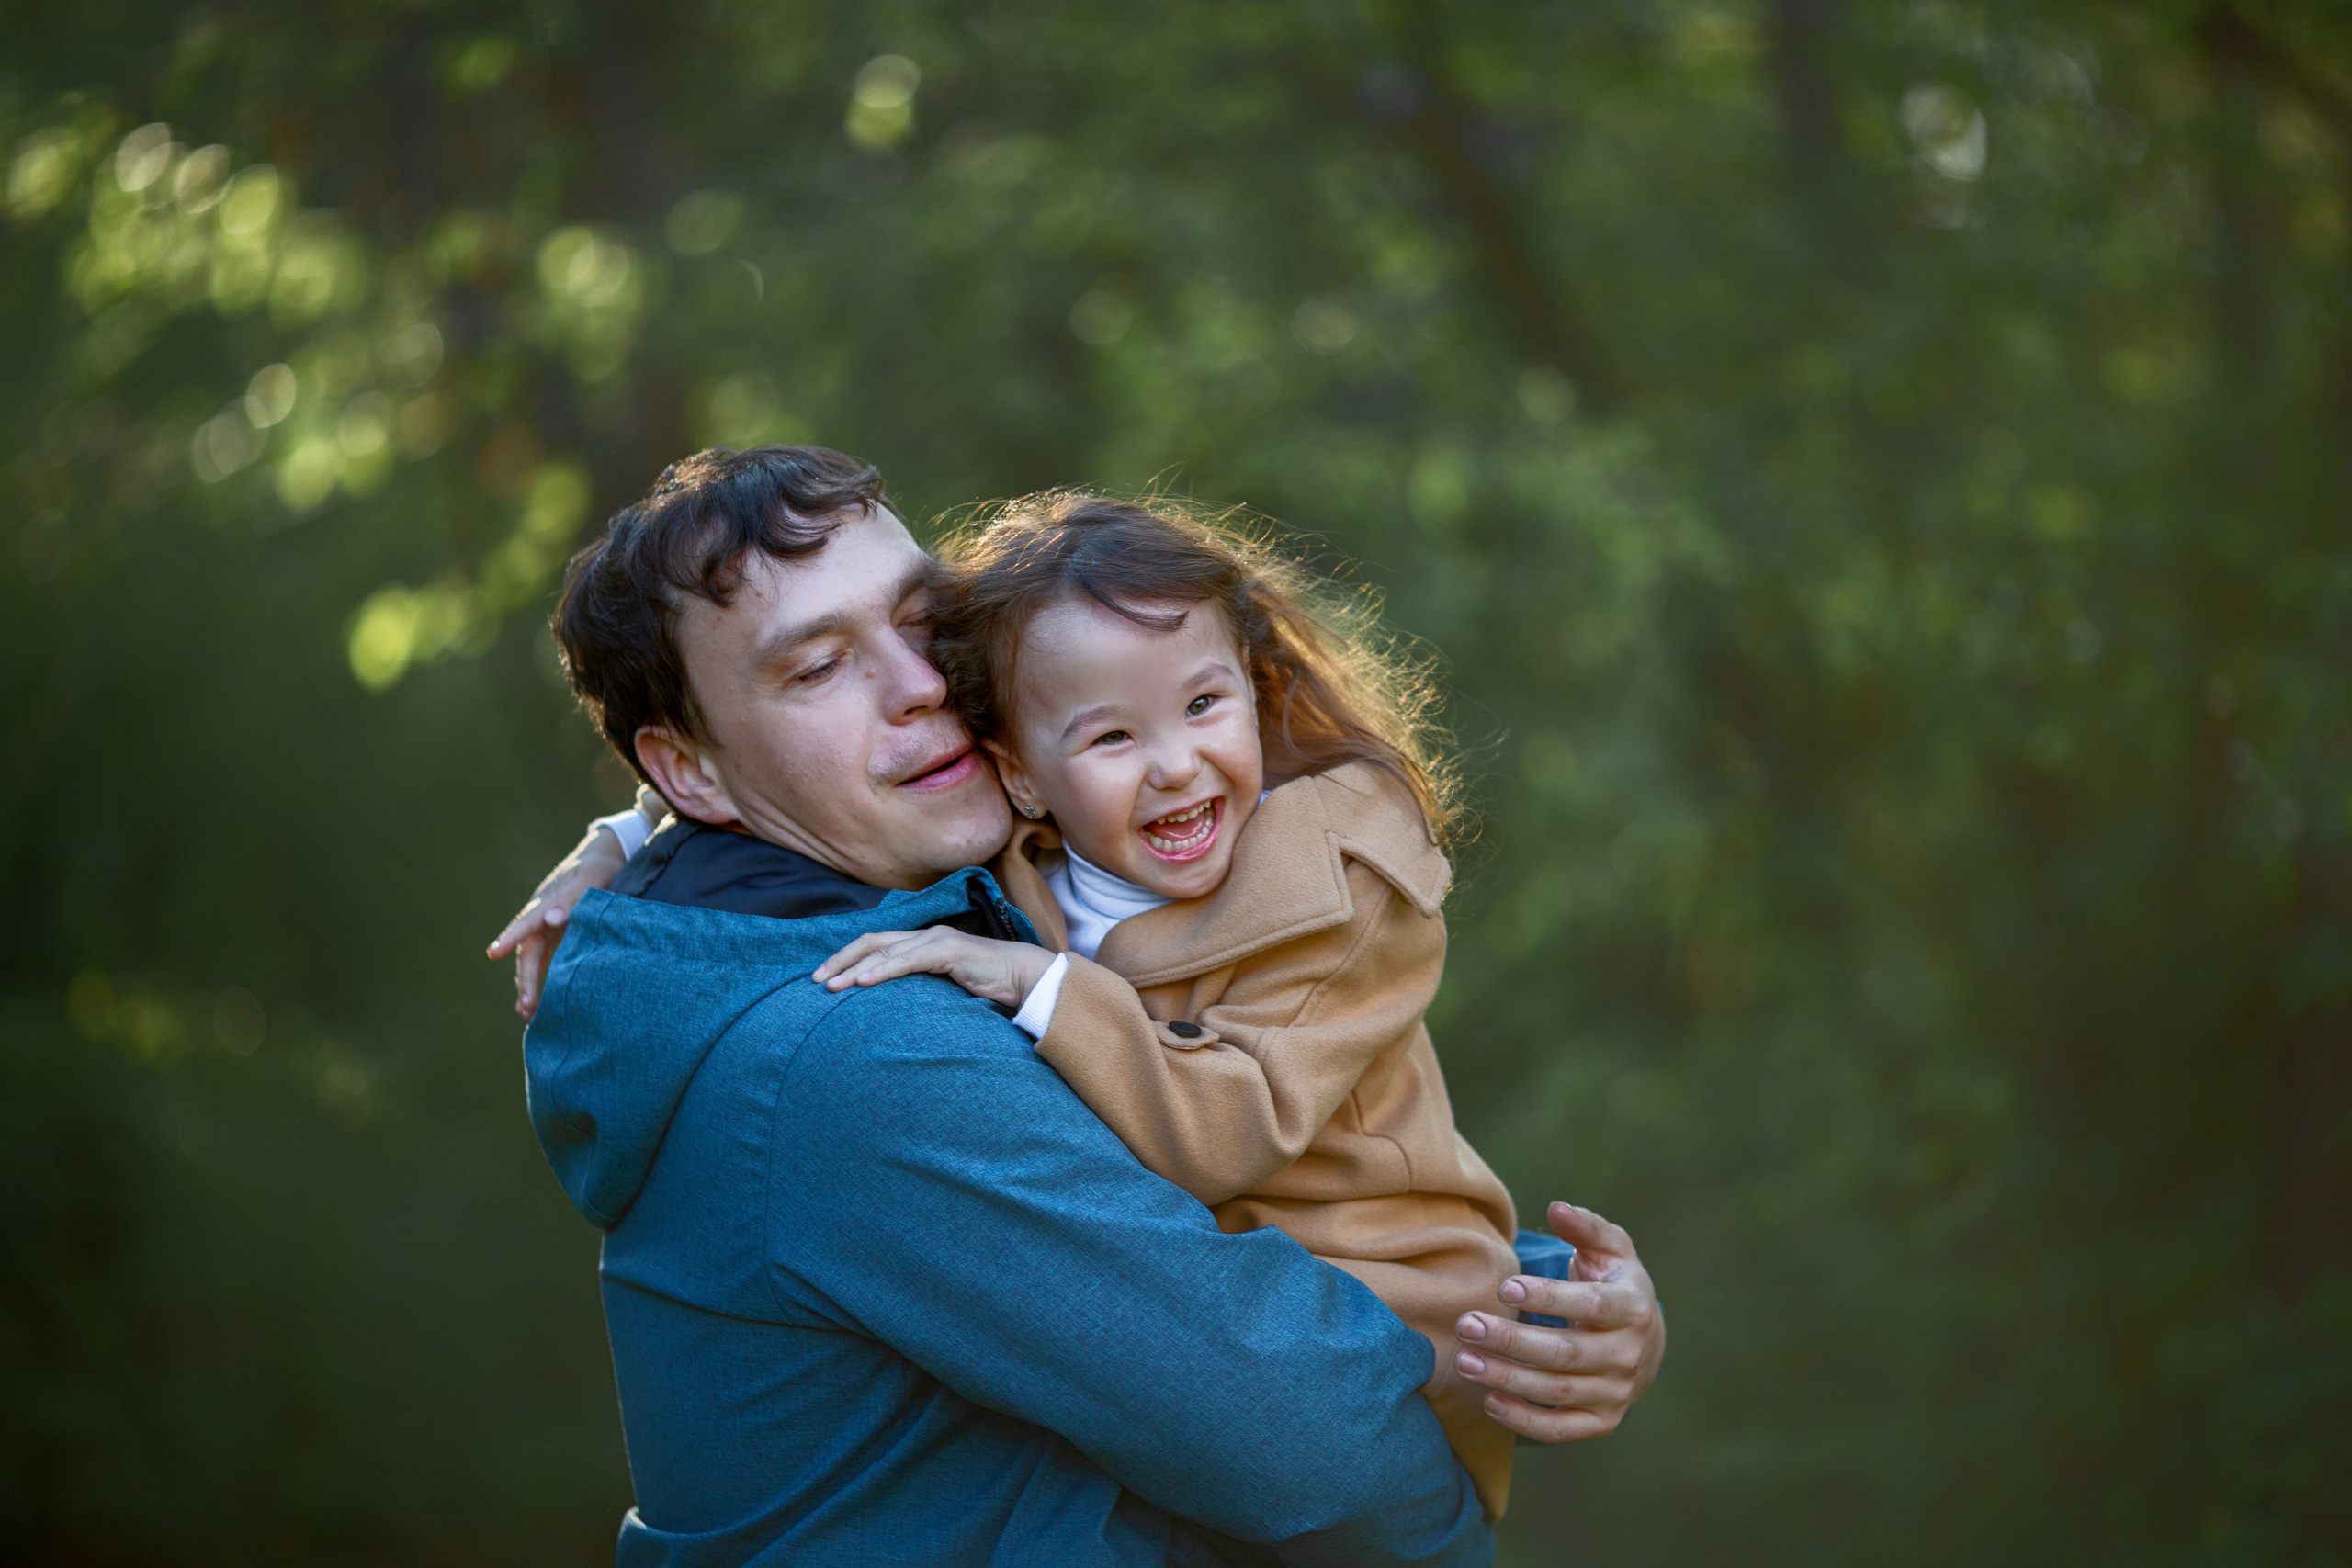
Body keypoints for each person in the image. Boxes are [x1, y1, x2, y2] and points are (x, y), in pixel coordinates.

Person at [491, 446, 1665, 1566]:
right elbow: (1323, 1452)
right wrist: (1448, 1521)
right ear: (688, 770)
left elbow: (1203, 1224)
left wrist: (1544, 1306)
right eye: (818, 668)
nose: (920, 686)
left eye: (922, 621)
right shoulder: (858, 1042)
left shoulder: (913, 907)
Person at [809, 492, 1520, 1519]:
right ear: (1020, 773)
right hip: (1203, 1316)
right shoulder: (1020, 857)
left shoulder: (1343, 894)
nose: (1177, 764)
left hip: (1396, 1315)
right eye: (1110, 737)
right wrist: (618, 842)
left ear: (1253, 688)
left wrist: (1037, 984)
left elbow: (1231, 1125)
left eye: (1202, 705)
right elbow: (775, 764)